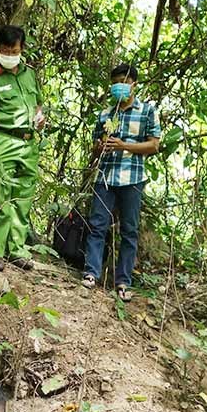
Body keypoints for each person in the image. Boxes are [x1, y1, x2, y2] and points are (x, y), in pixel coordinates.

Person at [81, 64, 161, 301]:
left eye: (124, 81)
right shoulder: (106, 114)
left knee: (129, 231)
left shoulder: (146, 111)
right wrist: (99, 147)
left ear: (134, 84)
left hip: (132, 178)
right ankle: (90, 273)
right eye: (116, 81)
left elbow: (154, 145)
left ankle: (123, 282)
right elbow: (95, 147)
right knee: (97, 225)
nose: (120, 85)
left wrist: (124, 145)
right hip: (105, 177)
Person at [0, 25, 46, 272]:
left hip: (28, 143)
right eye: (5, 50)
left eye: (13, 50)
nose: (9, 54)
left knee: (22, 198)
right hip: (3, 141)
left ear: (21, 49)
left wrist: (40, 117)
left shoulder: (29, 74)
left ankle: (17, 250)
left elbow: (37, 106)